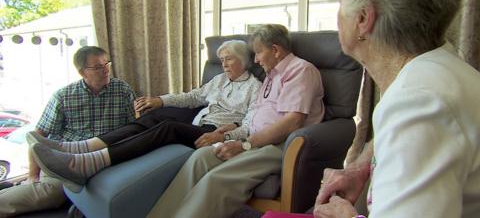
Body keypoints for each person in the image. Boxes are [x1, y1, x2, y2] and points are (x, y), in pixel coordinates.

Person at [312, 0, 480, 217]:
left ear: (363, 19)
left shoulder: (418, 102)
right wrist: (360, 167)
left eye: (341, 2)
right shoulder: (434, 74)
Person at [30, 40, 262, 193]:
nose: (223, 64)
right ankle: (82, 147)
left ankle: (91, 162)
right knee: (152, 117)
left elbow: (253, 122)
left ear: (243, 60)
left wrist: (230, 132)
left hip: (214, 134)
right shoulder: (219, 80)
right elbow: (192, 97)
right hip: (198, 123)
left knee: (169, 127)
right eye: (220, 59)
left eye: (228, 59)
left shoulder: (255, 87)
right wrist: (159, 100)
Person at [147, 24, 326, 218]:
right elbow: (253, 117)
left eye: (258, 53)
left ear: (275, 50)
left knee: (216, 180)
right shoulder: (270, 76)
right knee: (199, 159)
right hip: (254, 139)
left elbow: (292, 123)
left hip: (278, 145)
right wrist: (231, 134)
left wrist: (245, 145)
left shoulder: (300, 71)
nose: (256, 60)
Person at [0, 46, 136, 217]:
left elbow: (135, 127)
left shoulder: (122, 90)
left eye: (106, 64)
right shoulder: (64, 96)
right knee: (51, 193)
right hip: (66, 159)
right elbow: (38, 137)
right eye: (98, 67)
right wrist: (32, 175)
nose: (105, 70)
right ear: (82, 72)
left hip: (103, 157)